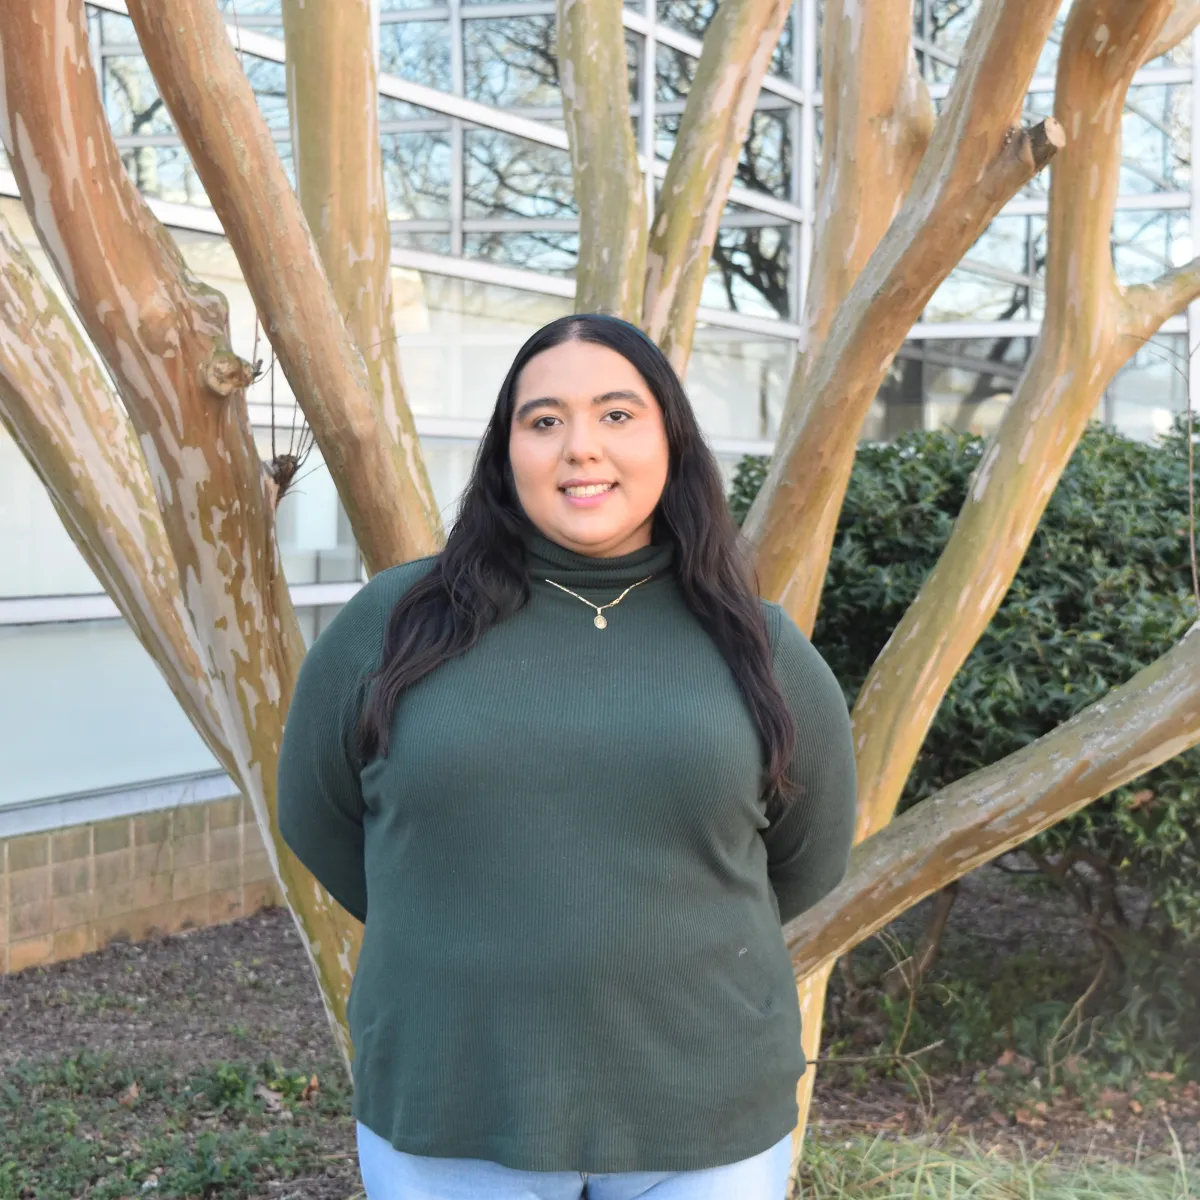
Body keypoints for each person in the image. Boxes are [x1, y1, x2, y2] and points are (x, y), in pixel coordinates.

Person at [277, 313, 858, 1200]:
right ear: (507, 451)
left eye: (617, 415)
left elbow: (807, 859)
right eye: (544, 420)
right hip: (451, 1105)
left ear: (671, 439)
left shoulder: (759, 647)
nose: (580, 448)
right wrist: (459, 915)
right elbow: (320, 821)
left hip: (703, 1115)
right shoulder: (392, 625)